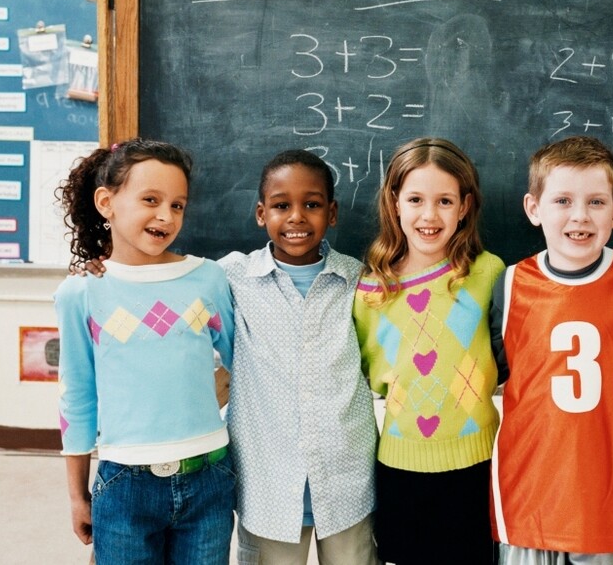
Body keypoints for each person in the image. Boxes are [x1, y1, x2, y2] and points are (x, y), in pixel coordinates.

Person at [54, 139, 236, 564]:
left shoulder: (208, 279)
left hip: (209, 475)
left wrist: (208, 396)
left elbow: (241, 361)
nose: (165, 215)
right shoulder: (81, 292)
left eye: (177, 205)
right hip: (124, 484)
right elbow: (76, 396)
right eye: (150, 200)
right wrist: (77, 495)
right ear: (106, 202)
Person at [489, 135, 613, 565]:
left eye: (596, 202)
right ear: (534, 208)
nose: (580, 216)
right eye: (562, 201)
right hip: (528, 495)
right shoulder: (509, 284)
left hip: (606, 501)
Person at [219, 150, 380, 565]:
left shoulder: (358, 280)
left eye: (311, 204)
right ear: (260, 213)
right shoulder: (233, 279)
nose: (296, 217)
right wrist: (104, 268)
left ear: (333, 212)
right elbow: (165, 279)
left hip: (347, 482)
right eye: (280, 205)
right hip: (267, 484)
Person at [352, 137, 505, 565]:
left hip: (478, 464)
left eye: (444, 201)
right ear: (395, 202)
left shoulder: (488, 274)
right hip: (400, 469)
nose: (429, 215)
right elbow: (368, 371)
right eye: (416, 199)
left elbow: (506, 356)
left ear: (464, 206)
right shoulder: (370, 291)